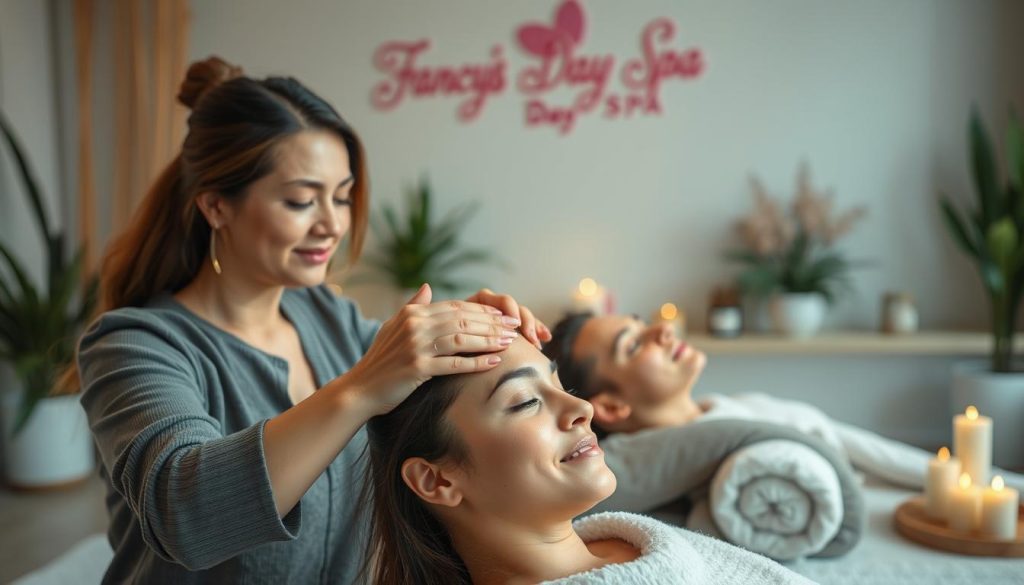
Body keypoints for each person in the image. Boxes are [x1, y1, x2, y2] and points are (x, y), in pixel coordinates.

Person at [72, 56, 550, 584]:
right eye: (301, 201)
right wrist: (360, 387)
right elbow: (187, 517)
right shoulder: (132, 345)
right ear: (216, 207)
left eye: (342, 197)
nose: (332, 224)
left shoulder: (326, 315)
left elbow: (415, 387)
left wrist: (466, 328)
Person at [364, 336, 814, 584]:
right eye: (525, 401)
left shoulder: (627, 538)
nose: (582, 409)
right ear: (436, 480)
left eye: (562, 386)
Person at [541, 312, 1024, 495]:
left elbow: (864, 448)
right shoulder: (680, 456)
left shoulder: (731, 406)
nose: (663, 330)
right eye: (633, 344)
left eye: (642, 322)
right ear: (611, 408)